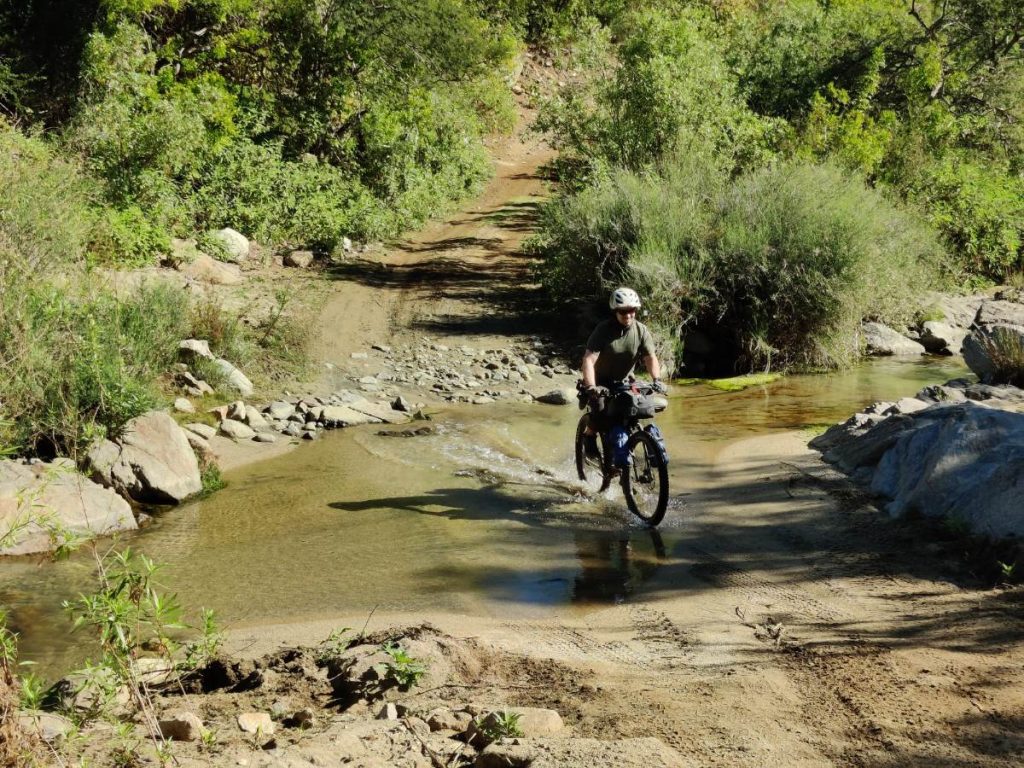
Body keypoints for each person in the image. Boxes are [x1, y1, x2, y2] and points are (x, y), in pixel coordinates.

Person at [580, 287, 666, 467]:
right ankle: (589, 438)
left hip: (626, 381)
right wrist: (591, 387)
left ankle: (636, 447)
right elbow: (589, 360)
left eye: (632, 311)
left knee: (640, 407)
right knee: (600, 412)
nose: (628, 315)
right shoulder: (603, 330)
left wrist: (657, 380)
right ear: (615, 311)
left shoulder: (641, 331)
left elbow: (650, 357)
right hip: (601, 382)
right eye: (623, 311)